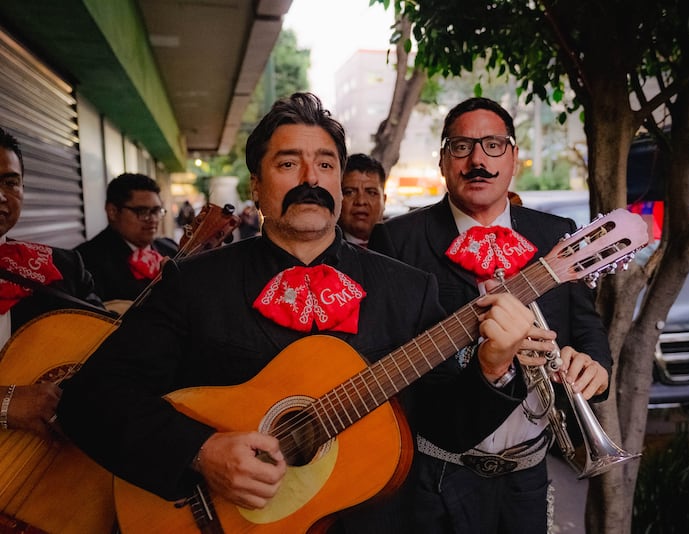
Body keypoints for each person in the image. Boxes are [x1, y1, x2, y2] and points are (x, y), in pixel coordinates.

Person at [57, 93, 538, 533]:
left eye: (325, 164)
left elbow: (447, 430)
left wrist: (493, 367)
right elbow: (90, 399)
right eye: (289, 163)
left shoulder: (407, 290)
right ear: (256, 186)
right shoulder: (194, 284)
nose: (311, 179)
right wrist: (200, 452)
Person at [369, 97, 613, 533]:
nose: (477, 160)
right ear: (443, 161)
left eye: (494, 145)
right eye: (461, 147)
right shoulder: (397, 241)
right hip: (437, 477)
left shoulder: (553, 235)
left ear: (514, 158)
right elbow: (391, 370)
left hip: (528, 477)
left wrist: (596, 367)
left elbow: (587, 329)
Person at [0, 126, 104, 437]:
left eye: (10, 182)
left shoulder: (60, 268)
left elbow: (107, 351)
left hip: (43, 464)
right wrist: (6, 402)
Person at [75, 173, 178, 307]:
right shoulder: (83, 262)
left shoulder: (171, 248)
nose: (153, 219)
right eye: (142, 211)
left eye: (156, 211)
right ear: (112, 211)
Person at [338, 153, 387, 246]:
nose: (361, 201)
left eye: (371, 193)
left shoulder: (402, 246)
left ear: (384, 200)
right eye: (350, 192)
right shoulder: (322, 249)